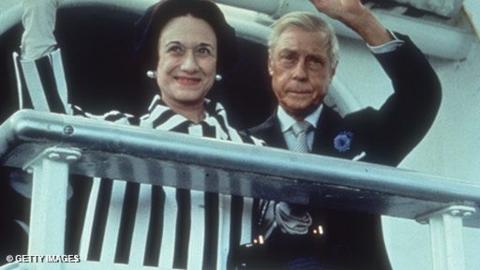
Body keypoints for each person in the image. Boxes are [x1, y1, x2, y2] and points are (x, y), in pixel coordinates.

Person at [3, 0, 262, 269]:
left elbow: (281, 224)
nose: (189, 64)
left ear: (217, 63)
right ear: (155, 60)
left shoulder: (256, 150)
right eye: (175, 49)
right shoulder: (113, 131)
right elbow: (47, 115)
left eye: (204, 51)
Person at [242, 0, 442, 269]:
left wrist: (358, 18)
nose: (300, 73)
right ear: (270, 65)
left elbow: (421, 93)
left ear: (332, 70)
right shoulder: (242, 143)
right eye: (289, 58)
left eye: (314, 61)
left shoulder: (365, 135)